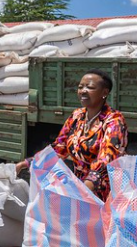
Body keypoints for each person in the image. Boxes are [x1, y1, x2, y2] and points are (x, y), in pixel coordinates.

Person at [16, 69, 128, 201]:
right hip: (80, 189)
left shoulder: (113, 121)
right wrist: (27, 163)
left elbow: (107, 160)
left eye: (90, 87)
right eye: (80, 87)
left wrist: (84, 189)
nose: (83, 91)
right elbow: (59, 148)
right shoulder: (77, 116)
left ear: (104, 92)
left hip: (104, 193)